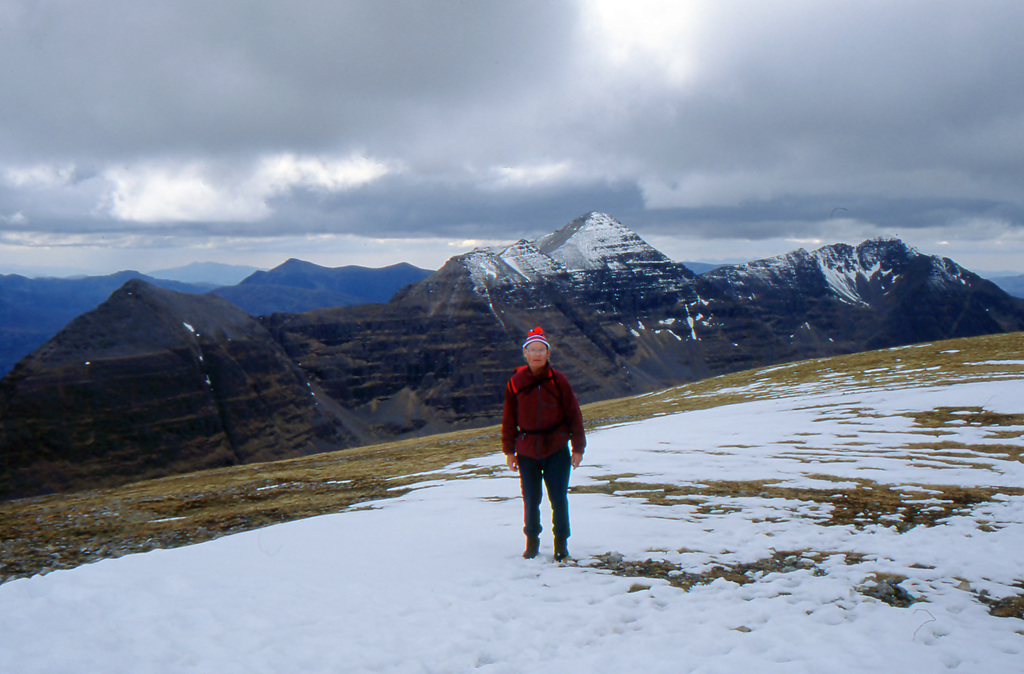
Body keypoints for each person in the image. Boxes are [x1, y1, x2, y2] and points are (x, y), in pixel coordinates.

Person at [502, 326, 586, 561]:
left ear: (548, 354)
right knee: (531, 498)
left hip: (556, 449)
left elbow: (573, 414)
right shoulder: (515, 383)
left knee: (558, 497)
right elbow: (509, 419)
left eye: (541, 350)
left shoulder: (559, 380)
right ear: (525, 354)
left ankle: (561, 544)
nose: (537, 354)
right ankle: (532, 542)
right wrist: (509, 451)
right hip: (527, 450)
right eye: (532, 350)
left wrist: (578, 448)